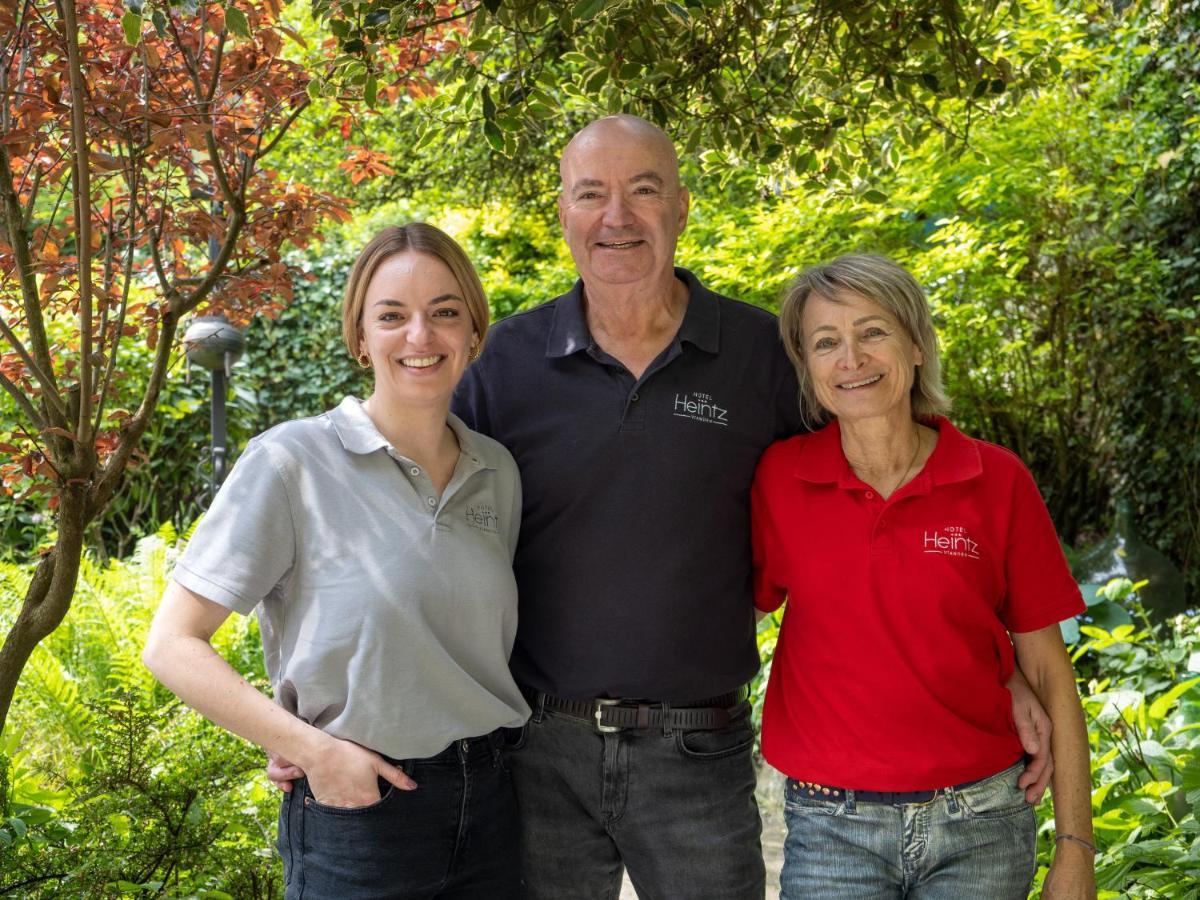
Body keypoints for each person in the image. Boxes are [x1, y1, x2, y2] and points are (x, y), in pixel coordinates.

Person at [270, 116, 1057, 898]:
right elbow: (411, 544)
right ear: (565, 215)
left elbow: (883, 501)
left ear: (681, 207)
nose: (618, 216)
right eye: (593, 195)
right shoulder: (503, 363)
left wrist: (1001, 670)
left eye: (642, 191)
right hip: (538, 749)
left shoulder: (763, 357)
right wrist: (310, 713)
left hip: (698, 754)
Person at [143, 223, 530, 900]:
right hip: (362, 814)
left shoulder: (496, 470)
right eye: (391, 316)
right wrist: (312, 747)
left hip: (495, 804)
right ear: (360, 338)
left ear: (473, 332)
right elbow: (172, 644)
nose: (420, 336)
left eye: (445, 312)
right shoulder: (291, 462)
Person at [752, 254, 1096, 900]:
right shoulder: (778, 480)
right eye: (826, 342)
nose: (850, 358)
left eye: (872, 331)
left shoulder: (997, 482)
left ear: (916, 345)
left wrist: (1076, 848)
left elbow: (1051, 671)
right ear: (808, 367)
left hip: (981, 826)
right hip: (833, 831)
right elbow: (717, 609)